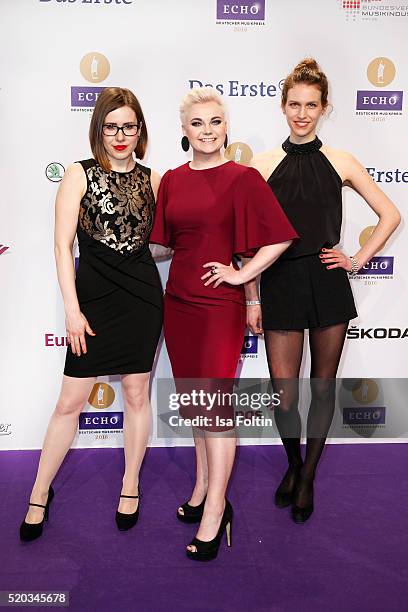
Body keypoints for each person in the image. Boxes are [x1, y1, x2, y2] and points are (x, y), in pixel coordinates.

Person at [249, 58, 400, 523]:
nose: (301, 113)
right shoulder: (261, 163)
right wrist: (251, 296)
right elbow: (251, 240)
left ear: (324, 108)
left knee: (322, 386)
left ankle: (308, 477)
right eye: (294, 104)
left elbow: (390, 215)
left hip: (327, 281)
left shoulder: (341, 161)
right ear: (282, 106)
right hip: (279, 281)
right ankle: (293, 466)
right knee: (284, 393)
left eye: (311, 105)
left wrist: (355, 259)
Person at [150, 87, 298, 560]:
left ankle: (217, 508)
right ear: (184, 130)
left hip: (218, 309)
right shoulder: (172, 179)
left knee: (213, 409)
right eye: (198, 123)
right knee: (196, 403)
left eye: (216, 122)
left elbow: (278, 238)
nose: (207, 131)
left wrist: (242, 276)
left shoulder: (243, 178)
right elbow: (164, 245)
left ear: (226, 127)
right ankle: (200, 488)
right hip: (178, 304)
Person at [19, 87, 163, 541]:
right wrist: (73, 311)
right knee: (69, 402)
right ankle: (40, 491)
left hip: (142, 299)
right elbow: (62, 248)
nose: (121, 135)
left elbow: (163, 241)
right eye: (112, 126)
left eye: (129, 126)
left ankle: (130, 483)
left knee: (137, 394)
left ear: (141, 130)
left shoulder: (154, 179)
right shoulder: (77, 176)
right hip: (93, 302)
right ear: (98, 128)